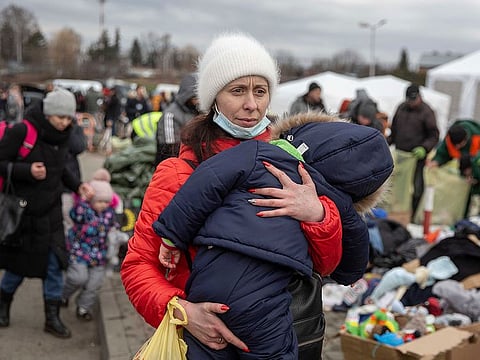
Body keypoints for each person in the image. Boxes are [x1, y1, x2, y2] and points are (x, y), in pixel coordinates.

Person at [121, 32, 373, 359]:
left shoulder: (293, 164)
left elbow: (328, 265)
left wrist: (317, 216)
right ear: (212, 98)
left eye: (260, 91)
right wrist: (182, 312)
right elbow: (139, 265)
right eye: (237, 91)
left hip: (282, 335)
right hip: (200, 345)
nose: (251, 105)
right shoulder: (179, 173)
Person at [155, 113, 393, 358]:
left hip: (209, 274)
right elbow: (351, 268)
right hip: (263, 295)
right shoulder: (338, 203)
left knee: (203, 352)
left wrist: (172, 237)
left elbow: (205, 183)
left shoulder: (256, 152)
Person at [0, 88, 94, 337]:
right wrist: (27, 171)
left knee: (55, 265)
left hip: (50, 213)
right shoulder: (23, 131)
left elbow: (60, 167)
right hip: (24, 213)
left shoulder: (62, 136)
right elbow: (1, 162)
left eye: (68, 118)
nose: (64, 123)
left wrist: (77, 186)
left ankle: (51, 318)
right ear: (48, 113)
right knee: (18, 267)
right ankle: (3, 304)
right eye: (59, 117)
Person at [62, 178, 117, 321]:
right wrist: (82, 200)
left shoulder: (109, 213)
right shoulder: (84, 210)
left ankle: (83, 307)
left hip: (99, 255)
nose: (103, 205)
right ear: (92, 200)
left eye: (106, 202)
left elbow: (113, 227)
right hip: (80, 251)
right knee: (78, 278)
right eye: (100, 201)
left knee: (94, 284)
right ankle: (63, 295)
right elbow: (75, 215)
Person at [388, 84, 439, 220]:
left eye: (414, 100)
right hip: (400, 156)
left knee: (416, 188)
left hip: (416, 158)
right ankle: (396, 212)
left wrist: (425, 148)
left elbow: (434, 135)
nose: (411, 103)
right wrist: (387, 142)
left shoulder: (427, 112)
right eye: (409, 100)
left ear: (419, 97)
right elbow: (394, 130)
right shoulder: (401, 108)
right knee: (396, 186)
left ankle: (412, 215)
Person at [427, 119, 480, 215]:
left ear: (466, 138)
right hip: (466, 174)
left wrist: (475, 174)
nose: (457, 147)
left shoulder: (477, 136)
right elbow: (443, 153)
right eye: (455, 145)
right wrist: (436, 161)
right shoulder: (450, 139)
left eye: (460, 144)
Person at [155, 73, 199, 166]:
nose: (198, 101)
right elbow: (169, 149)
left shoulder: (199, 111)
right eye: (194, 97)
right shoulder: (170, 115)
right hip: (175, 165)